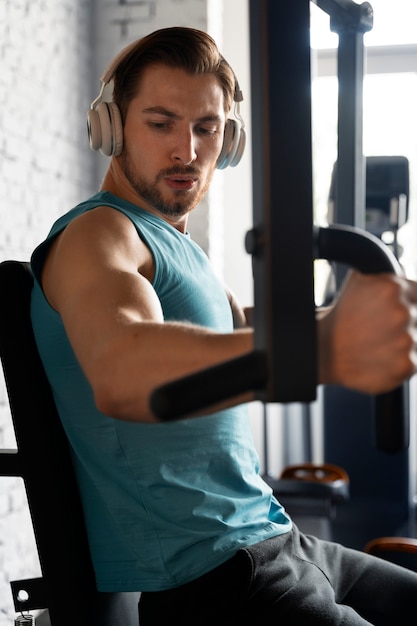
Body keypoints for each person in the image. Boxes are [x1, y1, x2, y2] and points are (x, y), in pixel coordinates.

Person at [30, 26, 417, 625]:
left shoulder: (178, 249)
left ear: (229, 140)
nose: (186, 150)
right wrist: (327, 346)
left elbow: (245, 328)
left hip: (281, 541)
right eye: (160, 124)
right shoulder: (97, 237)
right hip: (218, 579)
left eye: (206, 128)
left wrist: (389, 317)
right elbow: (123, 372)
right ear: (111, 127)